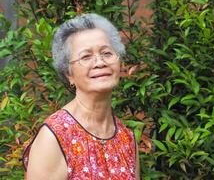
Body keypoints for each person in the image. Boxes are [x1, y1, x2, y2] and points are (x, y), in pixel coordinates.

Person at [22, 13, 140, 179]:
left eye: (107, 53)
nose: (100, 62)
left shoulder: (126, 139)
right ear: (68, 74)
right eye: (86, 56)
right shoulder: (54, 138)